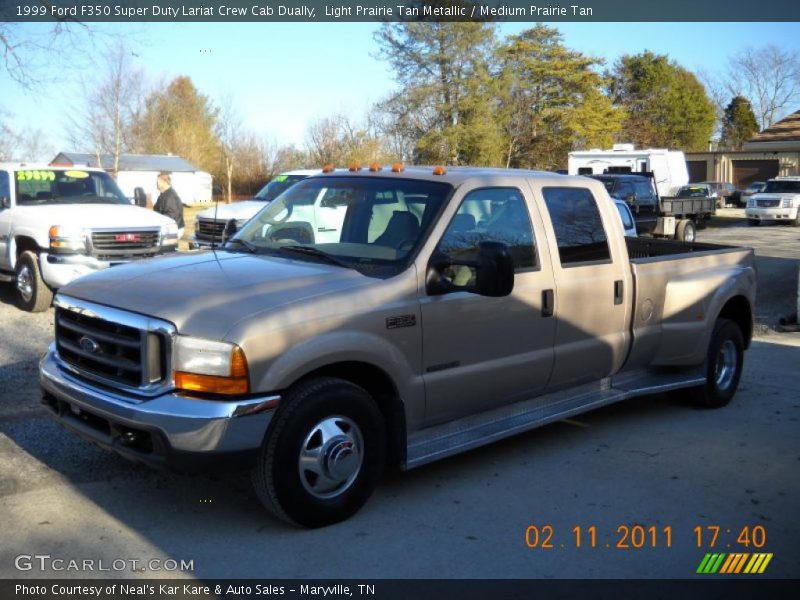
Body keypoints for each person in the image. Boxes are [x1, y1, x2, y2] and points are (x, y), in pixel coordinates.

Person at [154, 171, 185, 239]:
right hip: (168, 227)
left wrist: (159, 219)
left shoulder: (170, 196)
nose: (156, 184)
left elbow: (172, 215)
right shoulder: (163, 194)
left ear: (164, 182)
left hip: (173, 228)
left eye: (157, 182)